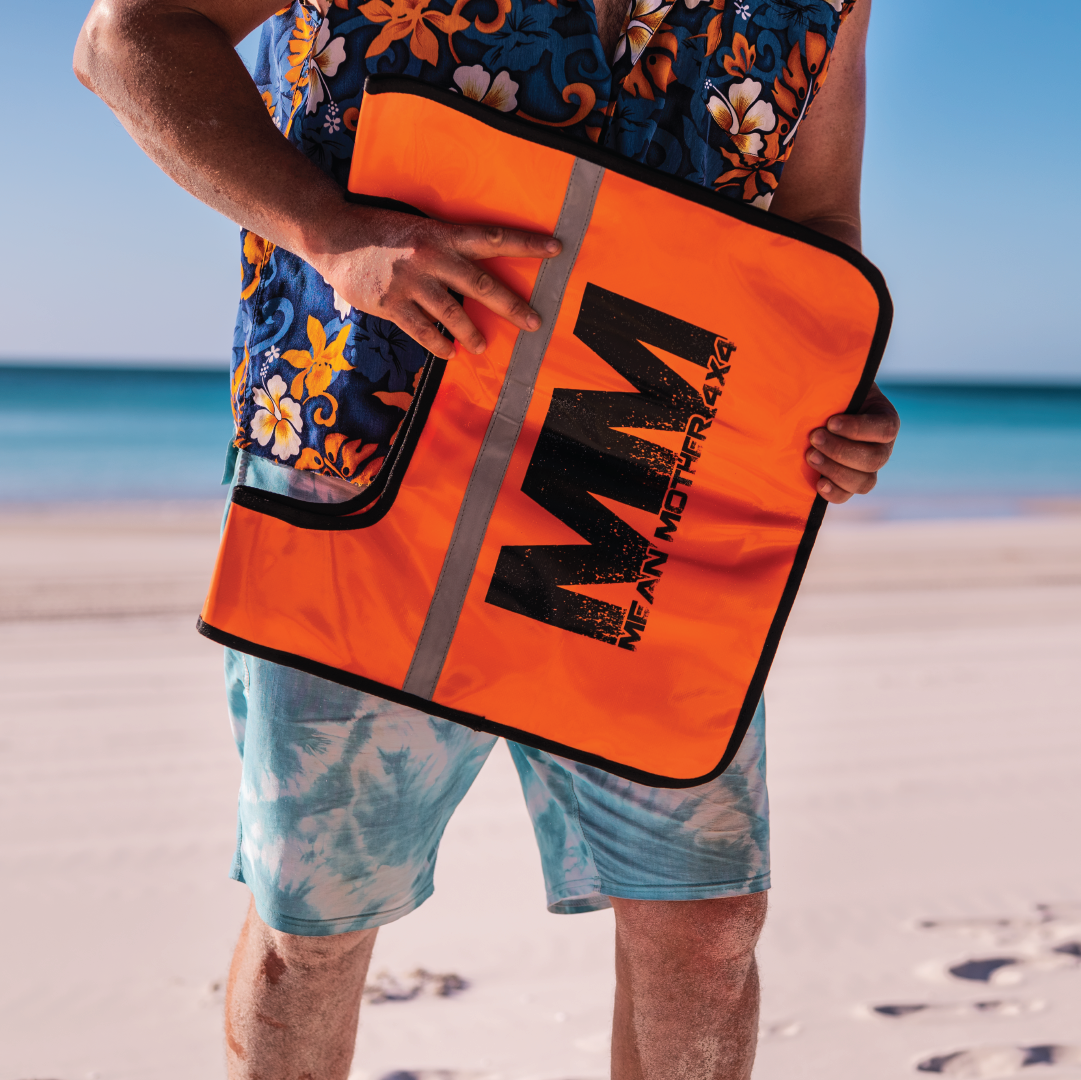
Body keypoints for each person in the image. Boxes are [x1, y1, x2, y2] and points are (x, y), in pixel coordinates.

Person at [74, 0, 898, 1076]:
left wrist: (840, 400)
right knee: (313, 928)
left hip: (637, 487)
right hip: (367, 454)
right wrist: (330, 230)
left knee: (703, 926)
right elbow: (127, 40)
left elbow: (817, 233)